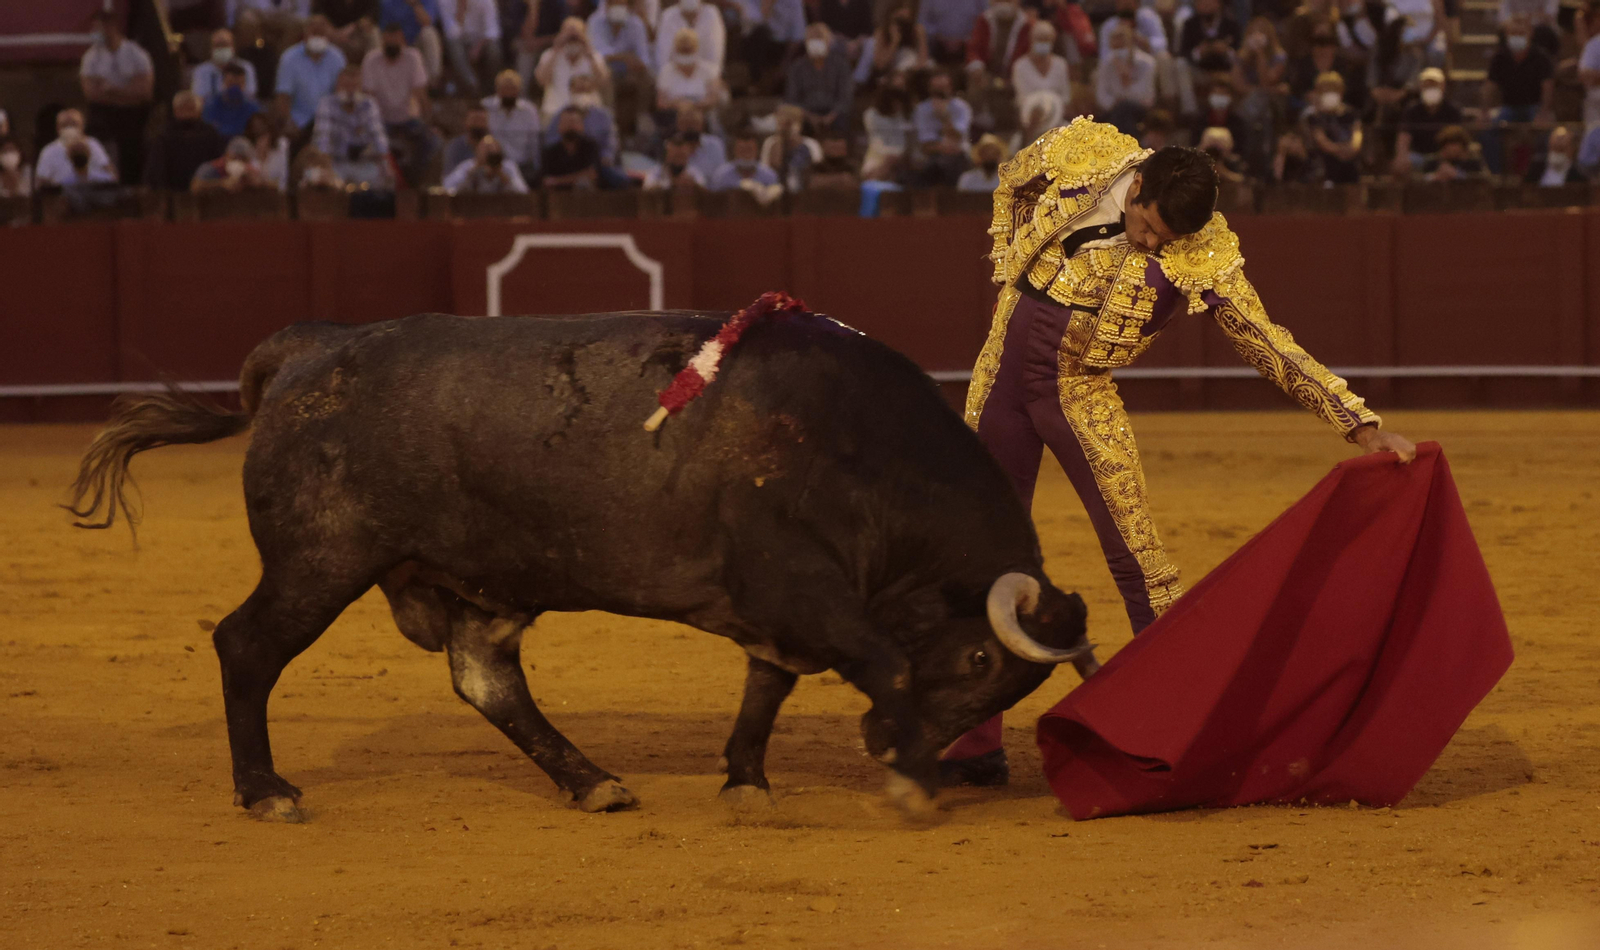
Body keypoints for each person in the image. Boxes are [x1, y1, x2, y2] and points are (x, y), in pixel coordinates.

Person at [941, 117, 1415, 786]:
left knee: (1141, 562)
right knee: (979, 553)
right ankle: (973, 745)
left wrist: (1360, 426)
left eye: (1164, 239)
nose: (1150, 242)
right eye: (1147, 226)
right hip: (1001, 368)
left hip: (1077, 391)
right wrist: (1011, 262)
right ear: (1135, 187)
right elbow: (1014, 179)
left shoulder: (1204, 252)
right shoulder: (1088, 155)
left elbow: (1264, 340)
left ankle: (1181, 732)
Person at [79, 10, 154, 185]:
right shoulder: (91, 58)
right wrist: (127, 92)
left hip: (133, 116)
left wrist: (111, 90)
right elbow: (92, 94)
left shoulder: (137, 55)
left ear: (111, 27)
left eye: (98, 28)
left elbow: (145, 92)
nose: (95, 32)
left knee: (133, 151)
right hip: (104, 116)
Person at [363, 22, 437, 185]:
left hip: (408, 117)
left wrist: (429, 122)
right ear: (382, 40)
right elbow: (369, 98)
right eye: (388, 41)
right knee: (372, 144)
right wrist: (373, 125)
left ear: (402, 40)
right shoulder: (371, 60)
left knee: (432, 142)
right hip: (382, 119)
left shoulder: (413, 57)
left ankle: (413, 181)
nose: (392, 44)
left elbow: (421, 94)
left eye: (395, 40)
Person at [314, 64, 393, 184]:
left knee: (379, 181)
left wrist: (386, 165)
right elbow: (323, 139)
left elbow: (378, 137)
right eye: (346, 86)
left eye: (354, 86)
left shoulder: (369, 104)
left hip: (364, 163)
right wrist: (326, 167)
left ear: (361, 87)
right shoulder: (326, 104)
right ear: (338, 86)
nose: (350, 91)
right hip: (336, 162)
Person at [275, 15, 349, 133]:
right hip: (298, 123)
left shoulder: (337, 58)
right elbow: (283, 96)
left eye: (321, 34)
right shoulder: (289, 58)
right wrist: (289, 124)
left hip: (329, 122)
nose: (318, 38)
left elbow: (341, 93)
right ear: (305, 34)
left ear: (328, 35)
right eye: (314, 33)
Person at [146, 91, 228, 190]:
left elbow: (219, 164)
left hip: (205, 193)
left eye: (190, 109)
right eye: (183, 108)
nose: (186, 113)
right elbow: (156, 172)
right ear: (175, 110)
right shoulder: (164, 137)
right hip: (172, 195)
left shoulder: (210, 134)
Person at [785, 24, 854, 135]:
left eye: (819, 39)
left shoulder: (841, 65)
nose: (816, 44)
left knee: (841, 122)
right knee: (796, 123)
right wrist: (810, 117)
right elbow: (792, 98)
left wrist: (830, 117)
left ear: (828, 42)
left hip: (834, 113)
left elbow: (845, 97)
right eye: (812, 40)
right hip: (806, 113)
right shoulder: (797, 67)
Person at [1391, 66, 1462, 175]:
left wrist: (1445, 160)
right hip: (1419, 157)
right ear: (1420, 87)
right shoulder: (1412, 111)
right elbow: (1404, 137)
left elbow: (1457, 142)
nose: (1430, 88)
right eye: (1427, 85)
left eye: (1434, 85)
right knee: (1402, 164)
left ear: (1443, 86)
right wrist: (1402, 157)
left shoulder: (1453, 111)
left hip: (1446, 158)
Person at [536, 18, 611, 116]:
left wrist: (588, 52)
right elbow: (542, 81)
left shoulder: (594, 57)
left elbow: (603, 82)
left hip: (588, 113)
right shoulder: (549, 55)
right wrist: (556, 49)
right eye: (569, 38)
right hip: (555, 112)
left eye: (576, 38)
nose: (572, 41)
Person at [655, 29, 726, 131]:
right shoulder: (666, 71)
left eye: (688, 49)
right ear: (675, 49)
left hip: (703, 111)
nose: (685, 51)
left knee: (712, 118)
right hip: (675, 112)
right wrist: (679, 105)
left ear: (696, 48)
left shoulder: (710, 70)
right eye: (682, 49)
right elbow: (661, 102)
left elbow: (714, 97)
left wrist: (694, 106)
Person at [1095, 21, 1157, 136]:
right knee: (1119, 112)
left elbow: (1145, 95)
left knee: (1124, 109)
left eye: (1121, 38)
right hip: (1113, 109)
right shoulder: (1106, 64)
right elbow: (1102, 94)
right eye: (1115, 39)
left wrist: (1127, 81)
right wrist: (1114, 103)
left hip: (1139, 109)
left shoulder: (1147, 63)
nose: (1118, 43)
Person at [1301, 70, 1361, 184]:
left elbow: (1357, 136)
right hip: (1325, 164)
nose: (1331, 93)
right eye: (1326, 90)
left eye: (1334, 90)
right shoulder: (1314, 116)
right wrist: (1339, 150)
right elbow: (1321, 140)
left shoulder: (1351, 114)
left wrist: (1351, 149)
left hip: (1350, 161)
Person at [484, 70, 543, 181]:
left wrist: (537, 169)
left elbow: (534, 142)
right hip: (492, 165)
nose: (508, 93)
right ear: (497, 89)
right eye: (505, 88)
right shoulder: (486, 108)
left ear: (519, 90)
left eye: (512, 88)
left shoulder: (529, 111)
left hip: (522, 166)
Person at [35, 109, 118, 188]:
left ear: (82, 126)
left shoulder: (93, 144)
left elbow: (110, 173)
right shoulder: (49, 150)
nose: (70, 128)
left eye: (74, 124)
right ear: (58, 128)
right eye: (65, 125)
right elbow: (41, 181)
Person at [439, 0, 504, 94]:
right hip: (460, 42)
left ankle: (492, 89)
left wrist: (478, 47)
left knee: (494, 50)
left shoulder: (486, 2)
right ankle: (472, 85)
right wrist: (461, 9)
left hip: (482, 41)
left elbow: (493, 32)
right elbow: (451, 34)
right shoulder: (445, 2)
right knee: (454, 46)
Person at [377, 0, 447, 83]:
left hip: (418, 40)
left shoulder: (428, 1)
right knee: (381, 37)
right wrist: (399, 40)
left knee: (429, 33)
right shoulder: (388, 3)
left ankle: (433, 80)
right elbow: (385, 29)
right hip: (397, 41)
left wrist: (415, 4)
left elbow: (427, 22)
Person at [709, 127, 783, 203]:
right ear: (734, 151)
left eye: (749, 150)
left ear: (757, 151)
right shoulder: (721, 176)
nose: (746, 155)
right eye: (742, 150)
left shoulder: (769, 176)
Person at [1012, 21, 1071, 115]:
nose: (1043, 43)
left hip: (1056, 115)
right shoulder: (1020, 66)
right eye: (1040, 40)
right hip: (1030, 116)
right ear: (1031, 40)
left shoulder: (1061, 64)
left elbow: (1065, 96)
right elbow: (1022, 98)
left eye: (1047, 40)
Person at [655, 0, 726, 76]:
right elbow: (663, 56)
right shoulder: (668, 16)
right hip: (674, 75)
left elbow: (715, 54)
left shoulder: (712, 14)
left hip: (705, 75)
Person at [541, 104, 605, 187]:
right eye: (566, 122)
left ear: (582, 126)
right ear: (559, 126)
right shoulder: (550, 152)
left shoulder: (590, 147)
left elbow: (591, 175)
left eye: (574, 122)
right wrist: (577, 177)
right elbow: (546, 180)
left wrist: (557, 181)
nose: (570, 126)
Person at [862, 79, 914, 180]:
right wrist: (891, 157)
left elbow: (909, 140)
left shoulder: (906, 116)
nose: (897, 106)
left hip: (904, 157)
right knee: (878, 170)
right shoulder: (871, 115)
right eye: (894, 102)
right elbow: (877, 142)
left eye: (900, 102)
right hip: (879, 155)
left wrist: (900, 155)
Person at [443, 133, 531, 191]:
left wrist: (502, 176)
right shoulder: (467, 166)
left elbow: (523, 191)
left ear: (499, 152)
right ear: (477, 151)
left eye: (492, 150)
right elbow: (447, 188)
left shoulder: (508, 167)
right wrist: (472, 173)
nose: (489, 154)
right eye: (485, 150)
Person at [194, 29, 262, 100]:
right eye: (218, 45)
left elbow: (250, 94)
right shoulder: (201, 70)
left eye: (225, 44)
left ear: (233, 47)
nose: (221, 48)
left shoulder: (246, 67)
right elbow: (198, 97)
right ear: (211, 48)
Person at [192, 136, 275, 192]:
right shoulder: (212, 168)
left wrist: (258, 183)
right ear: (227, 156)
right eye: (235, 158)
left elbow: (273, 186)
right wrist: (221, 184)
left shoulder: (249, 170)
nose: (238, 162)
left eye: (242, 159)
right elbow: (195, 187)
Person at [205, 62, 264, 137]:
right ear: (223, 83)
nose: (235, 88)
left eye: (239, 85)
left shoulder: (253, 107)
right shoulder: (211, 105)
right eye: (231, 84)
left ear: (244, 84)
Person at [875, 0, 932, 78]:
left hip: (914, 71)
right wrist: (894, 42)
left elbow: (923, 59)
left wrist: (911, 73)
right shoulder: (882, 32)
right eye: (898, 20)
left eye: (904, 20)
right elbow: (880, 65)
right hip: (892, 72)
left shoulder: (917, 30)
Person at [1179, 0, 1240, 71]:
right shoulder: (1190, 25)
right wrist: (1199, 52)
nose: (1205, 4)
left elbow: (1239, 53)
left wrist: (1225, 51)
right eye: (1201, 1)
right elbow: (1183, 54)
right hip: (1197, 71)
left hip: (1226, 71)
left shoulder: (1231, 25)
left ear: (1219, 3)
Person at [921, 0, 987, 65]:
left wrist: (968, 39)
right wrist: (938, 36)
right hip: (937, 50)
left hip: (970, 51)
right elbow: (923, 23)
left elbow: (986, 20)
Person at [676, 103, 726, 180]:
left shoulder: (715, 144)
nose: (691, 128)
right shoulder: (671, 145)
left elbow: (721, 175)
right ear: (679, 124)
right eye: (686, 123)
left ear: (702, 124)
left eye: (694, 123)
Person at [1523, 125, 1588, 185]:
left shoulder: (1579, 175)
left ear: (1572, 149)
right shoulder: (1536, 168)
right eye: (1555, 148)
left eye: (1561, 150)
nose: (1559, 141)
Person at [641, 132, 706, 189]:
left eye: (682, 156)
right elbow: (648, 189)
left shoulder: (695, 173)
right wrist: (673, 184)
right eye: (676, 156)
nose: (678, 160)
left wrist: (693, 185)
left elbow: (703, 191)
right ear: (666, 155)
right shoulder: (656, 172)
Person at [246, 112, 292, 189]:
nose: (261, 142)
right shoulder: (250, 151)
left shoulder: (281, 146)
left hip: (276, 195)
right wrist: (260, 157)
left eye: (264, 136)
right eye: (257, 138)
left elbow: (283, 181)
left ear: (269, 134)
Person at [443, 104, 491, 172]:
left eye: (482, 121)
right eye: (475, 120)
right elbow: (448, 179)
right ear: (465, 122)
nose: (478, 124)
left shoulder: (495, 146)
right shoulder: (455, 146)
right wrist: (475, 166)